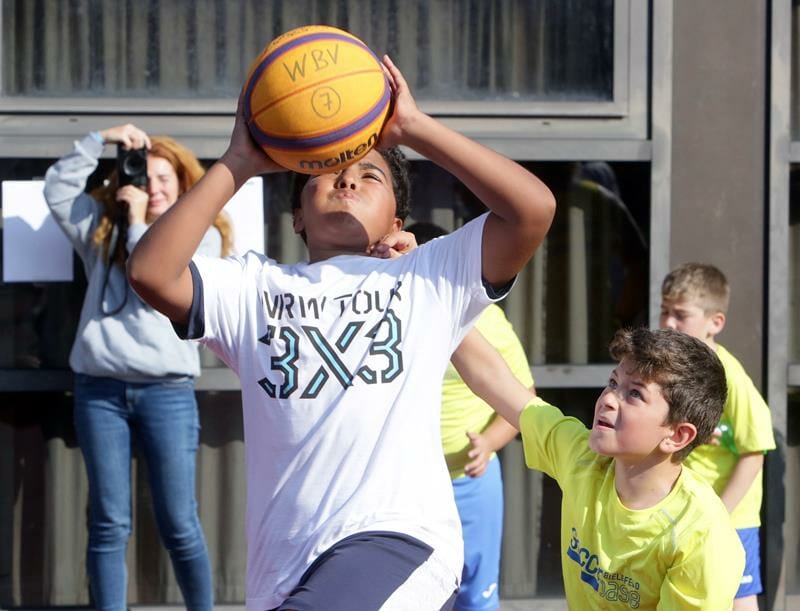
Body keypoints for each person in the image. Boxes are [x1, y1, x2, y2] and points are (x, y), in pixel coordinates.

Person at [127, 54, 556, 610]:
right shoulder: (255, 289)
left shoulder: (425, 276)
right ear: (297, 216)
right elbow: (150, 272)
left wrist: (414, 128)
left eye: (370, 175)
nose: (348, 177)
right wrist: (238, 162)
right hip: (284, 566)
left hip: (399, 539)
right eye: (326, 173)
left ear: (396, 221)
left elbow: (532, 210)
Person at [43, 124, 233, 611]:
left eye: (165, 178)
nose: (155, 187)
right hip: (100, 391)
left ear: (183, 183)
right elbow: (57, 189)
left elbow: (156, 283)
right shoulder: (101, 232)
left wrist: (135, 223)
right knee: (109, 523)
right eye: (145, 176)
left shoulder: (202, 237)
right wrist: (100, 138)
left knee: (179, 522)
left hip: (166, 393)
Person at [450, 326, 745, 609]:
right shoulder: (582, 459)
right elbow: (494, 379)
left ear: (677, 436)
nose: (608, 399)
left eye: (635, 394)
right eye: (613, 383)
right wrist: (446, 309)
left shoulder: (703, 537)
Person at [407, 221, 533, 611]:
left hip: (468, 480)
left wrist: (490, 442)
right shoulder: (387, 316)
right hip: (403, 488)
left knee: (474, 595)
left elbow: (524, 397)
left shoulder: (485, 317)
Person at [660, 262, 776, 610]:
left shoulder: (730, 376)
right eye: (664, 311)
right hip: (683, 513)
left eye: (681, 315)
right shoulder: (673, 371)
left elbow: (754, 452)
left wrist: (720, 517)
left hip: (730, 519)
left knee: (738, 600)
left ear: (715, 322)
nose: (668, 322)